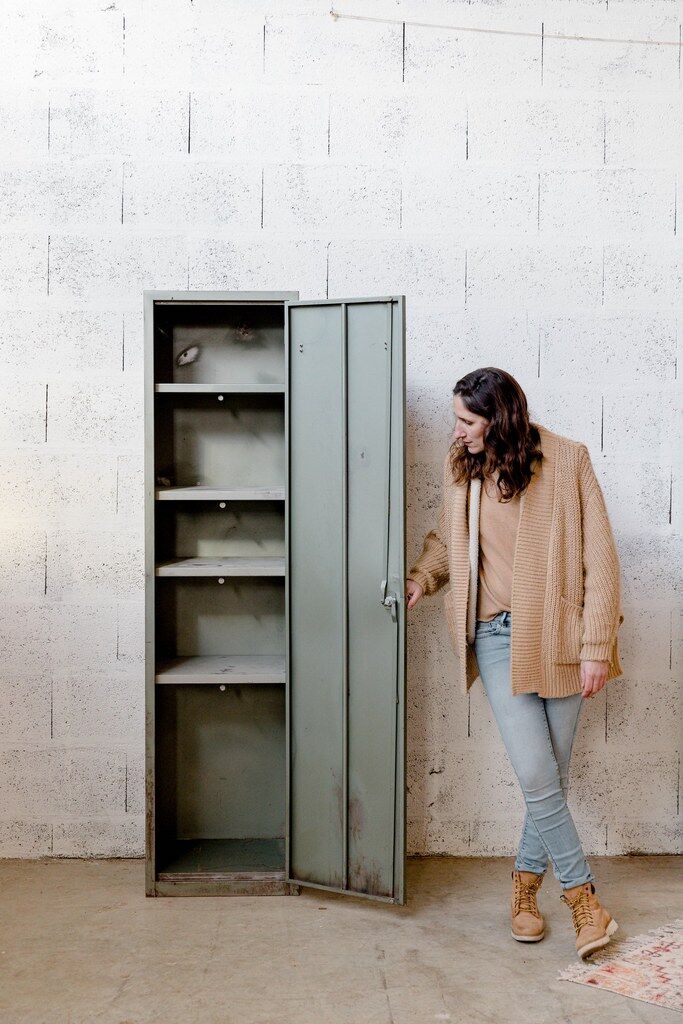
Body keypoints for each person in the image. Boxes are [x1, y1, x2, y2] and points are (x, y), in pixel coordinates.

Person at [405, 367, 624, 960]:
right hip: (496, 639)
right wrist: (423, 578)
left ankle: (524, 893)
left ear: (498, 420)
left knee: (545, 779)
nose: (457, 431)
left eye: (467, 420)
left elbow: (602, 564)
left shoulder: (569, 460)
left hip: (559, 641)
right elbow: (447, 541)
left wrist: (596, 647)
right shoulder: (463, 468)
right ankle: (585, 902)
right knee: (537, 775)